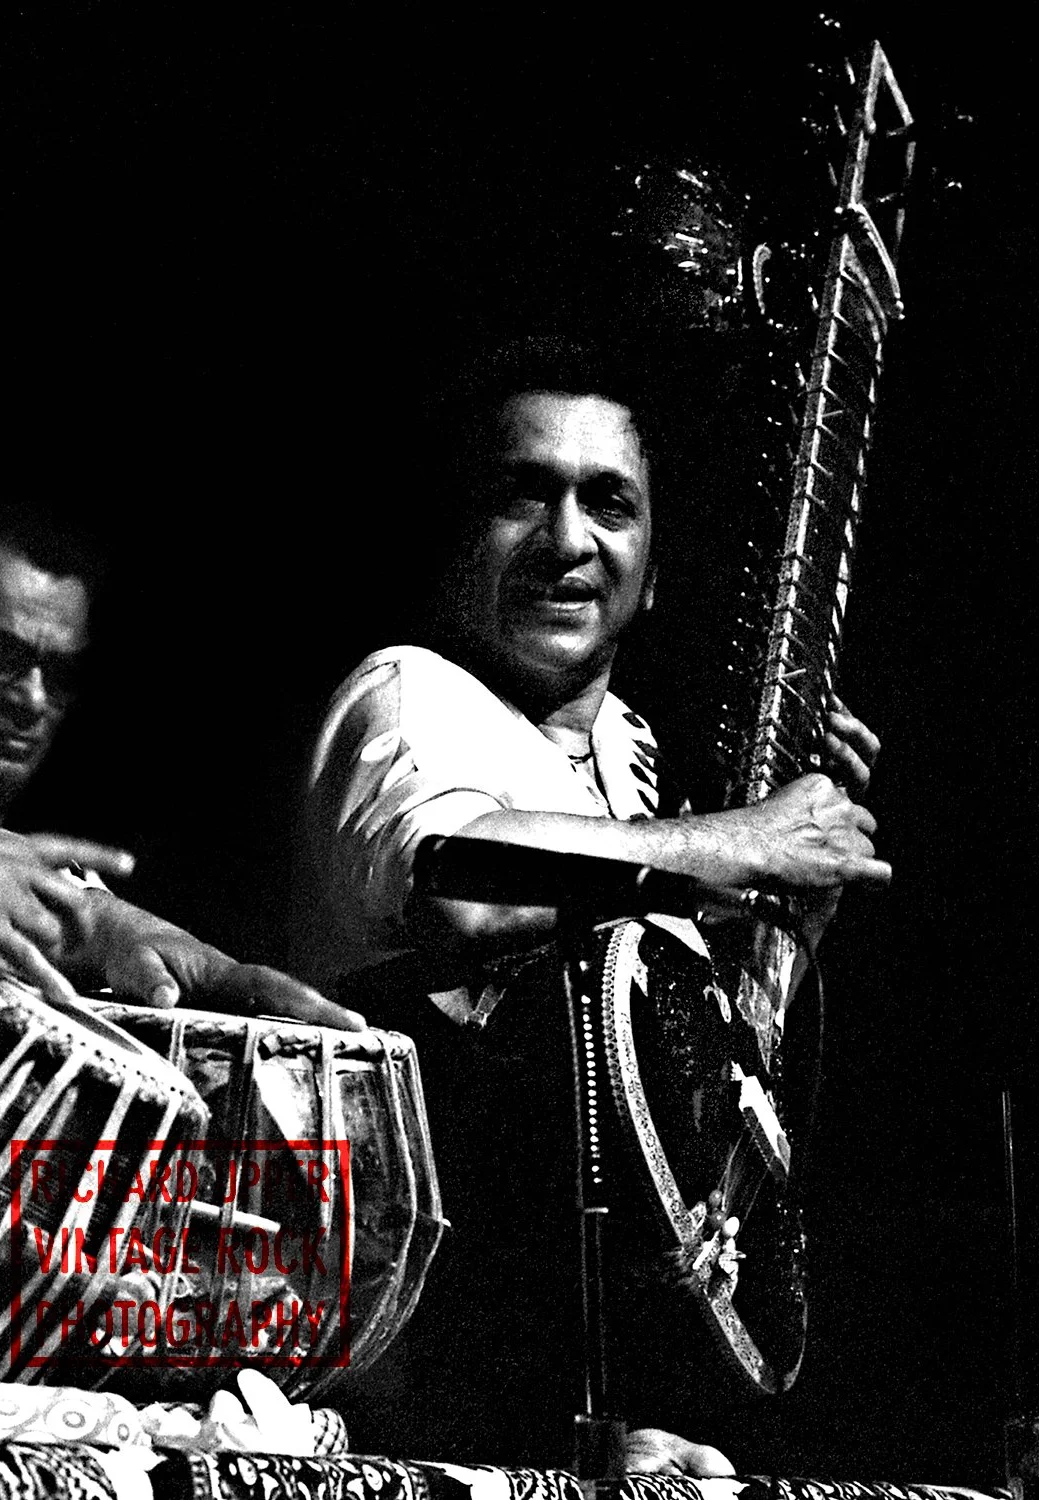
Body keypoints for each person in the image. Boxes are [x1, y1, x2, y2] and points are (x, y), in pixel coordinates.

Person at [291, 337, 890, 1470]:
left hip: (591, 1384)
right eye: (524, 494)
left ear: (655, 569)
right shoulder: (411, 695)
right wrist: (734, 842)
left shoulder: (628, 761)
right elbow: (463, 888)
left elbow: (672, 1093)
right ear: (457, 535)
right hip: (422, 1391)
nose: (568, 540)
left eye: (607, 503)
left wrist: (789, 907)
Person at [0, 506, 363, 1030]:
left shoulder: (60, 880)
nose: (31, 699)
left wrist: (112, 924)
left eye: (60, 673)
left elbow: (71, 911)